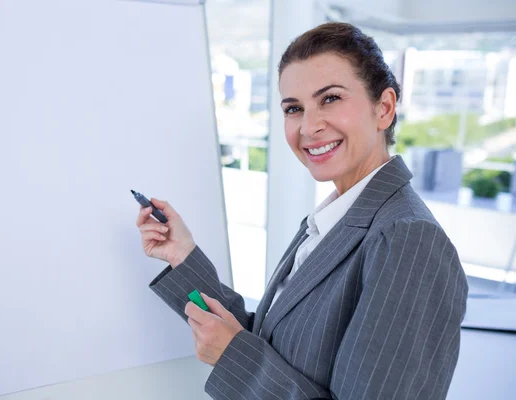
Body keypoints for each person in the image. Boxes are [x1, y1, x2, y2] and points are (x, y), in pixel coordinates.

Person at [136, 22, 468, 400]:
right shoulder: (332, 221)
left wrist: (233, 356)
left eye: (330, 99)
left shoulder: (408, 240)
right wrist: (183, 256)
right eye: (294, 108)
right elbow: (271, 342)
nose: (309, 127)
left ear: (385, 108)